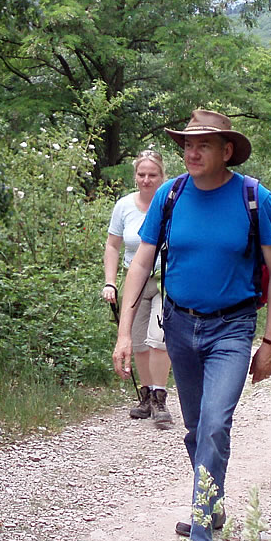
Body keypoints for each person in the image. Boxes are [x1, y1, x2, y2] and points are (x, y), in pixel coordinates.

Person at [112, 110, 271, 541]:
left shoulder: (255, 198)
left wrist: (269, 340)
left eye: (203, 145)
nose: (191, 152)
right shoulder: (171, 196)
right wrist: (125, 331)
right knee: (195, 428)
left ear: (226, 150)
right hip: (179, 328)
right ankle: (211, 500)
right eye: (187, 145)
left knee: (214, 425)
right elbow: (141, 262)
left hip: (232, 329)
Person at [102, 150, 174, 429]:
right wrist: (110, 281)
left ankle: (159, 396)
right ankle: (145, 395)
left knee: (160, 338)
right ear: (135, 176)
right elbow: (112, 245)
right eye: (141, 175)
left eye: (152, 175)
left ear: (162, 177)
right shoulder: (124, 206)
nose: (146, 180)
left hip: (165, 279)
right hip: (135, 278)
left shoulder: (171, 204)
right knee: (139, 341)